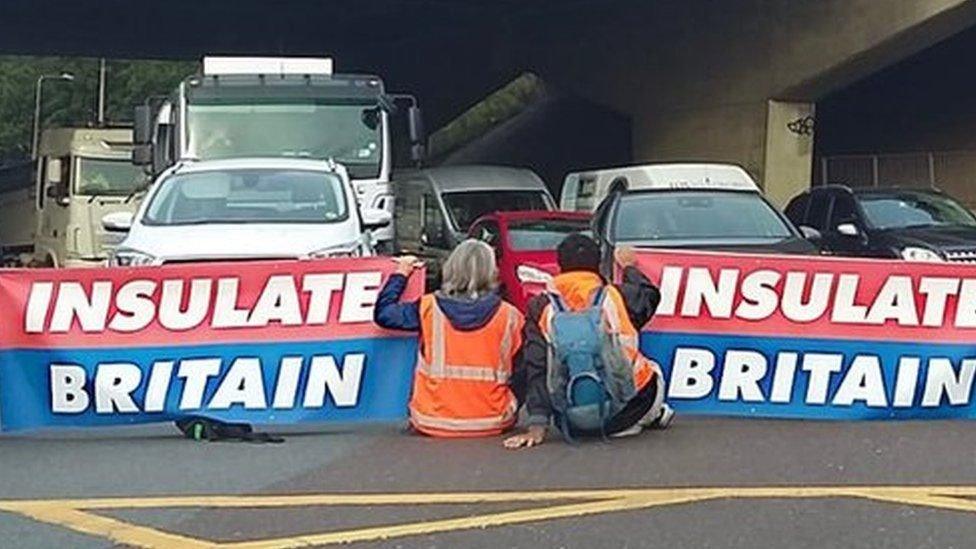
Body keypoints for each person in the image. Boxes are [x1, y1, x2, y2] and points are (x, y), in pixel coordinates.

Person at [503, 233, 673, 449]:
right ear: (598, 264)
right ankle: (655, 414)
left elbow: (537, 366)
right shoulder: (616, 296)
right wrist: (629, 266)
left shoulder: (541, 308)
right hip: (629, 411)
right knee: (652, 368)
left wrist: (537, 424)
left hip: (574, 423)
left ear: (560, 265)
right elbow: (649, 295)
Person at [374, 239, 525, 437]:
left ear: (451, 267)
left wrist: (401, 273)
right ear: (493, 271)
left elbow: (384, 314)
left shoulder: (428, 307)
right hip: (492, 419)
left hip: (431, 419)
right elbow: (524, 372)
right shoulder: (511, 316)